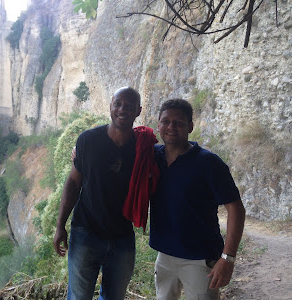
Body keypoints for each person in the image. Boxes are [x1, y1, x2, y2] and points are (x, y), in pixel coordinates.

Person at [150, 98, 246, 300]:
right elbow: (120, 149)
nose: (171, 127)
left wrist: (227, 258)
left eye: (179, 122)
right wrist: (79, 152)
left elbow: (236, 208)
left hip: (201, 260)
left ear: (190, 127)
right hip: (164, 256)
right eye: (165, 121)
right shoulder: (152, 156)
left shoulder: (209, 163)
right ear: (158, 124)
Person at [53, 87, 142, 300]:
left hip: (122, 236)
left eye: (129, 106)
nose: (123, 109)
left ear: (138, 111)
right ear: (110, 105)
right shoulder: (88, 140)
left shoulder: (144, 147)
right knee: (78, 297)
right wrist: (60, 225)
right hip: (85, 232)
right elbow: (74, 183)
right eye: (118, 104)